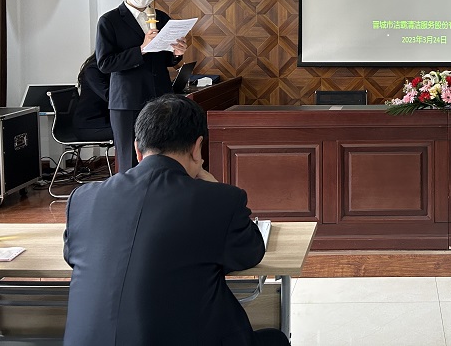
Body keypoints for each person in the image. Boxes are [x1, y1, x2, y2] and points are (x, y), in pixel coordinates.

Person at [63, 94, 289, 346]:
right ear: (197, 147)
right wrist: (214, 187)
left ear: (137, 149)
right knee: (275, 340)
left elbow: (73, 256)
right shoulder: (219, 200)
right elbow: (250, 254)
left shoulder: (82, 199)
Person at [96, 0, 187, 172]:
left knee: (164, 154)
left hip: (160, 98)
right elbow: (105, 63)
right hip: (128, 100)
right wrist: (142, 49)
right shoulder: (110, 21)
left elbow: (165, 59)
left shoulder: (161, 18)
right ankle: (130, 194)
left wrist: (177, 53)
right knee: (130, 159)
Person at [72, 53, 113, 142]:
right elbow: (109, 97)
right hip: (89, 126)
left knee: (136, 128)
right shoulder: (92, 70)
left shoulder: (109, 69)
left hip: (104, 122)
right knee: (133, 131)